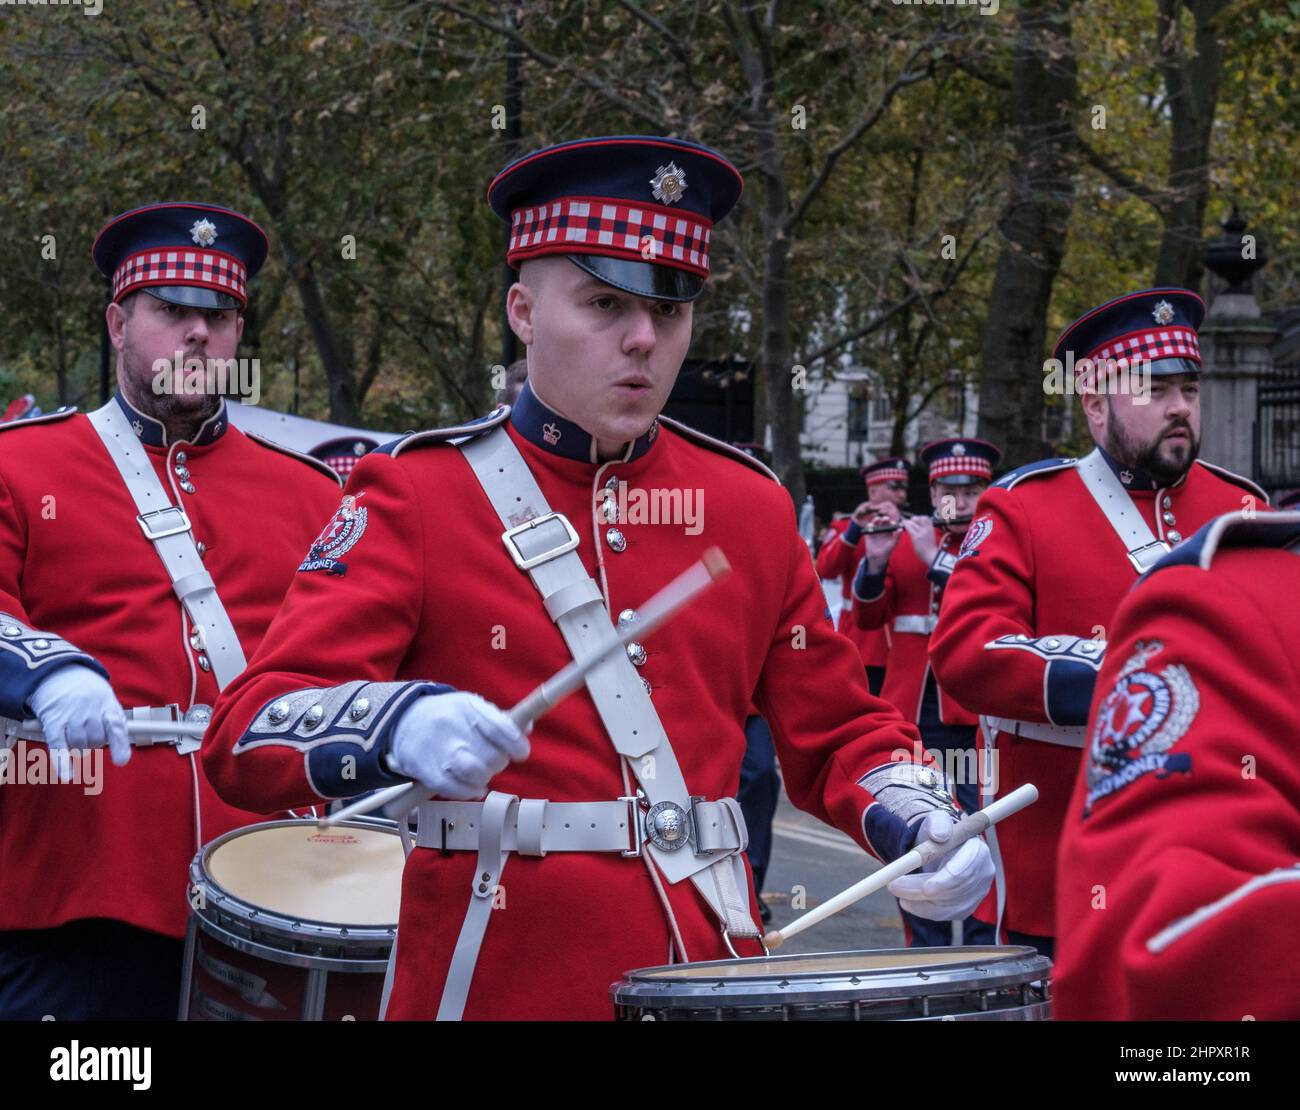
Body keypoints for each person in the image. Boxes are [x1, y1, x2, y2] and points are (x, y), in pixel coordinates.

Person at [202, 135, 994, 1020]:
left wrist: (919, 816)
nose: (645, 339)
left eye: (673, 308)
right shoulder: (419, 491)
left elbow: (839, 730)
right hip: (490, 982)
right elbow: (244, 735)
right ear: (523, 312)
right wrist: (397, 721)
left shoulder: (748, 507)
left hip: (702, 974)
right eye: (603, 302)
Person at [0, 203, 342, 1020]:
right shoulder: (22, 464)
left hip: (274, 886)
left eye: (217, 316)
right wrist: (44, 672)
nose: (197, 335)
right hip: (77, 887)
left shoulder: (314, 494)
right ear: (118, 323)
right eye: (171, 311)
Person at [928, 288, 1268, 958]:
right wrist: (1134, 676)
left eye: (1190, 390)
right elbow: (966, 650)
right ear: (1094, 404)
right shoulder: (1025, 508)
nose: (1179, 408)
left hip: (1220, 869)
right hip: (1066, 876)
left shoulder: (1241, 508)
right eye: (1154, 389)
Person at [1054, 509, 1300, 1019]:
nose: (1183, 420)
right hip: (1063, 777)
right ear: (1097, 420)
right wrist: (1106, 669)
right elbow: (971, 649)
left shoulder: (1235, 498)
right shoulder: (1230, 591)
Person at [854, 438, 1000, 947]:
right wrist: (874, 561)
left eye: (971, 489)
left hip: (974, 716)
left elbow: (984, 604)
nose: (958, 501)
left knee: (982, 826)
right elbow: (869, 617)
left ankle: (984, 944)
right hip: (913, 711)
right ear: (932, 491)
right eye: (947, 490)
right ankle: (928, 948)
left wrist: (932, 556)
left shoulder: (994, 543)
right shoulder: (905, 537)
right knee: (924, 829)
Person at [816, 457, 910, 695]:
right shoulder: (846, 526)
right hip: (862, 638)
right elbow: (826, 570)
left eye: (903, 488)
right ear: (873, 490)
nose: (901, 494)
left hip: (901, 640)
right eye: (893, 487)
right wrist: (854, 530)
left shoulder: (911, 527)